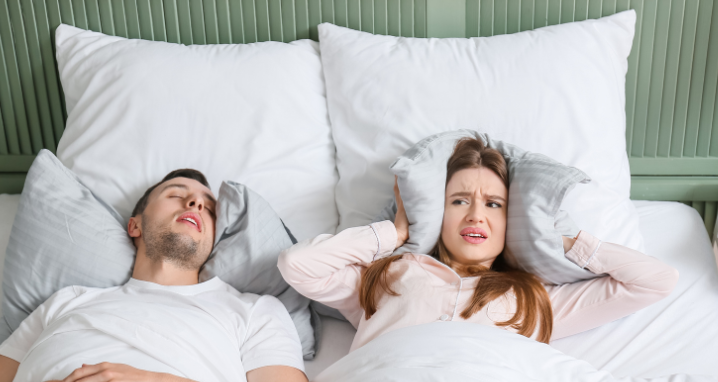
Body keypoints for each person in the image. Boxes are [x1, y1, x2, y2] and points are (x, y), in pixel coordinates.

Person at [0, 169, 315, 382]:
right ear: (135, 224)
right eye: (176, 196)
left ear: (214, 239)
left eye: (209, 207)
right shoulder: (66, 302)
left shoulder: (252, 310)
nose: (196, 205)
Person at [278, 137, 679, 351]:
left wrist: (563, 238)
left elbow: (655, 282)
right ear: (439, 212)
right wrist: (396, 233)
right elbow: (297, 264)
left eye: (494, 204)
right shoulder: (384, 278)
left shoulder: (534, 299)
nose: (475, 215)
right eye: (458, 201)